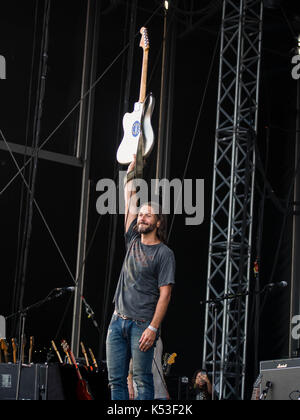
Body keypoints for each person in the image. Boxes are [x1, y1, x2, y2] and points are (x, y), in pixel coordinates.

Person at [106, 155, 176, 400]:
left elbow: (165, 295)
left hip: (142, 325)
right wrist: (131, 174)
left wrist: (153, 328)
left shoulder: (164, 254)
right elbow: (129, 200)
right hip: (117, 321)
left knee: (142, 381)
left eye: (148, 215)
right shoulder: (132, 239)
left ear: (158, 222)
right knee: (116, 381)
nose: (142, 217)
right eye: (141, 214)